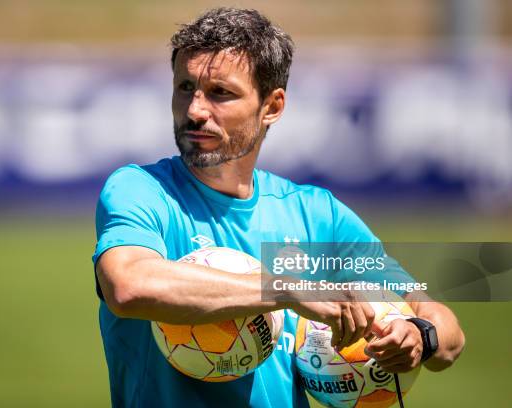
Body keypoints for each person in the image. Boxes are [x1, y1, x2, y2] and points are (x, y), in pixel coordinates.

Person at [92, 7, 465, 407]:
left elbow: (446, 332)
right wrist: (286, 289)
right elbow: (128, 286)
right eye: (185, 87)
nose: (196, 110)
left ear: (272, 106)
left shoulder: (316, 216)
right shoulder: (142, 190)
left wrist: (417, 336)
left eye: (220, 93)